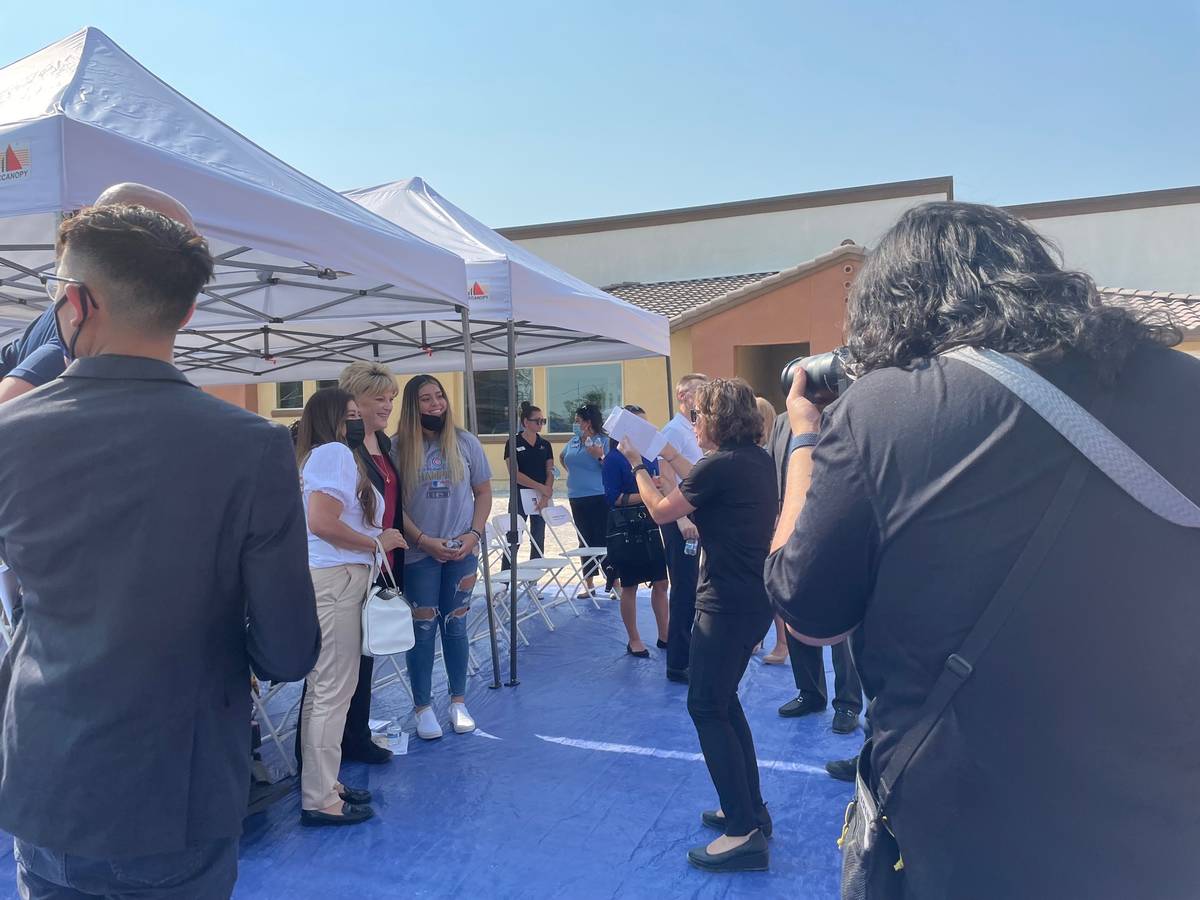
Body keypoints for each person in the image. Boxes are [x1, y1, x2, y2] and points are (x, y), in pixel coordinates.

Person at [766, 201, 1200, 898]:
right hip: (1167, 832)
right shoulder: (1184, 387)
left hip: (974, 834)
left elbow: (809, 614)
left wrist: (806, 439)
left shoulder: (887, 409)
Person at [0, 201, 321, 898]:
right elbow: (289, 651)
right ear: (187, 314)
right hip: (179, 791)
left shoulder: (11, 433)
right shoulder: (254, 447)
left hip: (47, 783)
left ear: (78, 303)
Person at [621, 378, 778, 872]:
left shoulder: (723, 466)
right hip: (751, 599)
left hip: (726, 603)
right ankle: (749, 810)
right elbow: (698, 476)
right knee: (724, 701)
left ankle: (743, 831)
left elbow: (662, 510)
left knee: (707, 705)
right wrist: (665, 453)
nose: (694, 424)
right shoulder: (751, 460)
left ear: (716, 421)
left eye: (698, 416)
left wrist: (637, 465)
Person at [294, 388, 407, 826]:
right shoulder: (336, 453)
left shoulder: (325, 455)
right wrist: (375, 543)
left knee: (328, 688)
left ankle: (322, 783)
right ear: (332, 420)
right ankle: (319, 797)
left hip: (334, 578)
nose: (359, 421)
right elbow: (321, 522)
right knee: (333, 690)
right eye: (351, 414)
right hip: (339, 579)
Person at [0, 183, 193, 407]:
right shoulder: (76, 333)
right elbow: (7, 407)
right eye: (167, 231)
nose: (184, 255)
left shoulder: (71, 314)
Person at [395, 375, 492, 741]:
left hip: (462, 551)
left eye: (439, 396)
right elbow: (394, 507)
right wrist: (422, 539)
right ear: (411, 406)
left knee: (455, 626)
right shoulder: (397, 448)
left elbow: (483, 492)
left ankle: (458, 701)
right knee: (422, 630)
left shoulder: (465, 442)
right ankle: (422, 707)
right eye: (425, 399)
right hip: (419, 554)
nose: (435, 404)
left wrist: (474, 534)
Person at [765, 408, 863, 732]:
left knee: (839, 615)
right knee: (795, 604)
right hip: (793, 525)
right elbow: (776, 468)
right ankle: (810, 692)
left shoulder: (850, 414)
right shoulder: (782, 421)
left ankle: (847, 704)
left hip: (837, 526)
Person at [337, 361, 406, 764]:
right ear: (354, 403)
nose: (386, 406)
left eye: (390, 399)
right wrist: (373, 543)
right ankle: (329, 749)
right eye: (377, 399)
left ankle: (355, 736)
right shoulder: (344, 448)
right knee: (339, 664)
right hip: (353, 563)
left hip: (382, 563)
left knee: (364, 656)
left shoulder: (387, 444)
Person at [602, 404, 670, 658]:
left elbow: (657, 487)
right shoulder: (613, 459)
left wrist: (658, 487)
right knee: (629, 585)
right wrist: (645, 493)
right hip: (625, 528)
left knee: (661, 582)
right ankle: (634, 639)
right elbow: (612, 498)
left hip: (650, 524)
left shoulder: (649, 455)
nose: (646, 429)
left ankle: (665, 634)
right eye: (640, 425)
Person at [659, 374, 707, 683]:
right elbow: (664, 476)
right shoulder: (672, 431)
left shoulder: (693, 429)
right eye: (700, 392)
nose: (705, 397)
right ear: (684, 396)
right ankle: (678, 662)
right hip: (682, 520)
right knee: (684, 590)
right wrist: (681, 519)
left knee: (694, 588)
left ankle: (688, 653)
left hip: (695, 516)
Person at [754, 396, 791, 665]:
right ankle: (761, 636)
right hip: (761, 523)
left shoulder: (773, 450)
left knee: (773, 583)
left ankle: (782, 642)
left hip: (773, 524)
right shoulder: (756, 450)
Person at [559, 402, 609, 598]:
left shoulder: (602, 440)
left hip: (598, 496)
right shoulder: (573, 441)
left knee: (603, 538)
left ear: (588, 423)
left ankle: (613, 582)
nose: (575, 424)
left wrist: (599, 456)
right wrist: (573, 473)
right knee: (584, 540)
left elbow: (611, 467)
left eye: (578, 421)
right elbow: (563, 457)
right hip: (576, 496)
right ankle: (588, 584)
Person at [501, 401, 554, 569]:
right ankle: (505, 582)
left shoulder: (545, 444)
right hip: (519, 497)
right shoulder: (513, 442)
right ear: (525, 422)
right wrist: (541, 487)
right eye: (536, 420)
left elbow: (551, 471)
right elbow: (515, 474)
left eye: (542, 421)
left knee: (538, 538)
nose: (540, 424)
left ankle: (534, 582)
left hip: (541, 497)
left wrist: (546, 495)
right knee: (514, 538)